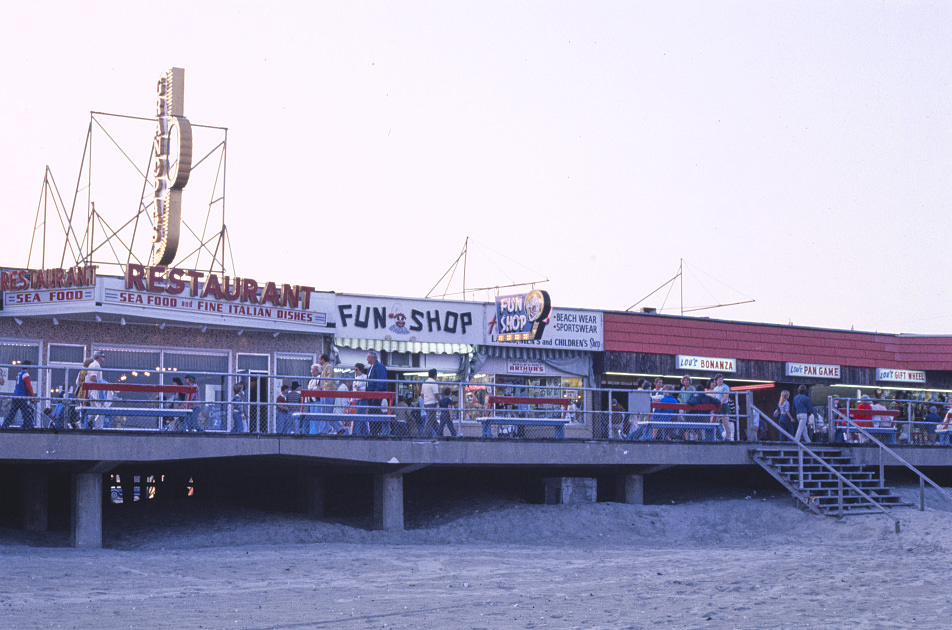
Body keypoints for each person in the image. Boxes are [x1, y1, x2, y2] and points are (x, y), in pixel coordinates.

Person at [2, 362, 36, 429]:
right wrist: (32, 397)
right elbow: (28, 386)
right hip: (22, 396)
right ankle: (29, 426)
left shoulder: (19, 373)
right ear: (28, 366)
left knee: (12, 412)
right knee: (25, 412)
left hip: (16, 395)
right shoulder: (25, 374)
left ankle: (5, 426)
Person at [318, 353, 344, 435]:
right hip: (325, 392)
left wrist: (324, 388)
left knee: (327, 412)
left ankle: (335, 428)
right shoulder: (325, 368)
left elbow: (329, 379)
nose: (318, 360)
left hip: (327, 392)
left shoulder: (328, 367)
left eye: (319, 359)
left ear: (323, 359)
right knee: (325, 412)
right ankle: (334, 428)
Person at [365, 350, 389, 436]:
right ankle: (372, 431)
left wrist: (376, 393)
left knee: (376, 412)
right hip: (370, 395)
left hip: (376, 395)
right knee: (371, 412)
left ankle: (377, 431)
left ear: (372, 357)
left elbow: (380, 381)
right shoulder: (370, 369)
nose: (366, 359)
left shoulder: (379, 367)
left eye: (368, 357)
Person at [84, 350, 106, 429]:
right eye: (103, 356)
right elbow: (92, 377)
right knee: (100, 410)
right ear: (99, 357)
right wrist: (103, 382)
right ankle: (98, 428)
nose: (104, 358)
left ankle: (81, 423)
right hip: (95, 391)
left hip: (94, 391)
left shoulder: (94, 365)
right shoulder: (95, 365)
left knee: (94, 411)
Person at [712, 374, 734, 441]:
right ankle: (716, 437)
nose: (720, 381)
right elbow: (715, 397)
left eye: (721, 379)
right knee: (714, 421)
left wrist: (719, 403)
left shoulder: (725, 387)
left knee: (725, 422)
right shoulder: (715, 388)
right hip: (717, 406)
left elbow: (725, 397)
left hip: (724, 405)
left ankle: (728, 437)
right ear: (716, 381)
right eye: (719, 379)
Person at [351, 363, 370, 436]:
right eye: (355, 370)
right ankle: (365, 432)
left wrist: (359, 389)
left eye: (357, 370)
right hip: (357, 399)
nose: (355, 371)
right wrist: (352, 400)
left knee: (359, 415)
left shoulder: (365, 377)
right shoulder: (355, 378)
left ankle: (356, 432)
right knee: (362, 416)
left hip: (363, 398)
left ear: (361, 370)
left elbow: (366, 387)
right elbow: (354, 389)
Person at [421, 368, 440, 437]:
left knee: (432, 419)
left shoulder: (424, 383)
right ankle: (425, 435)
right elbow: (436, 394)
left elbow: (422, 395)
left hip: (426, 403)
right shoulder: (434, 383)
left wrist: (426, 398)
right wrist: (440, 401)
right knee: (429, 420)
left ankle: (439, 432)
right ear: (435, 375)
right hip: (432, 403)